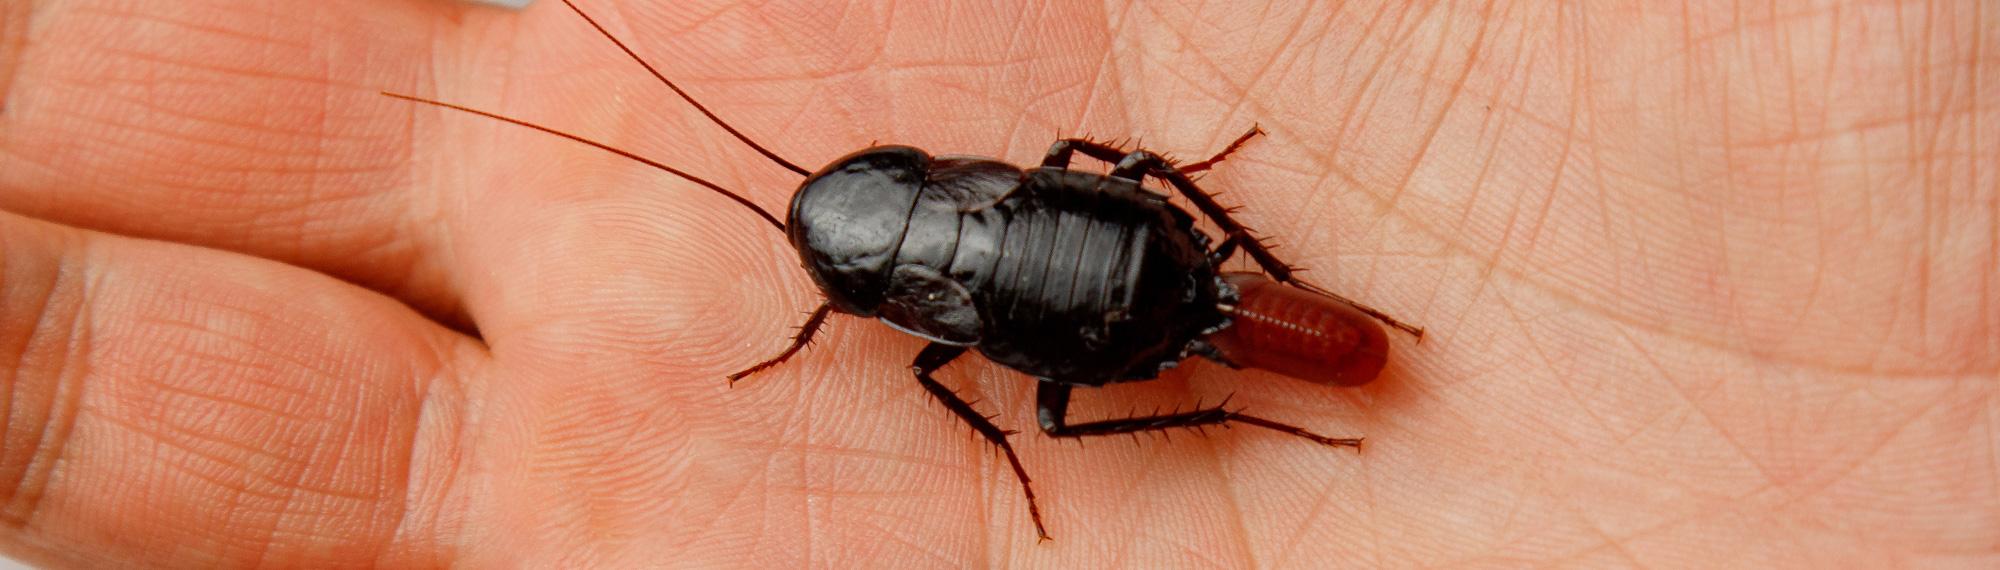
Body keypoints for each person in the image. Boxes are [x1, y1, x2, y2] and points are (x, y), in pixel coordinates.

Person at [0, 0, 1990, 567]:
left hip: (1089, 289)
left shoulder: (910, 315)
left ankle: (1245, 344)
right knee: (1125, 238)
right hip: (1116, 261)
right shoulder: (886, 240)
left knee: (1095, 297)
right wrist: (1206, 246)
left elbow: (965, 331)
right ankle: (1246, 326)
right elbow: (1049, 186)